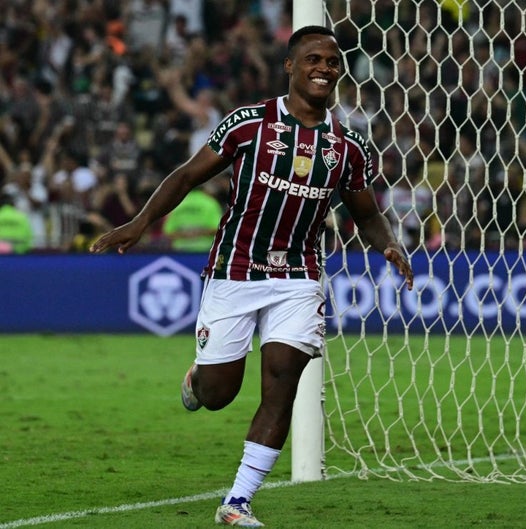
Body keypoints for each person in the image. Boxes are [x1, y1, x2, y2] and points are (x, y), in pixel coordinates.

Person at [89, 26, 414, 527]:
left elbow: (366, 212)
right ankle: (198, 379)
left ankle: (237, 502)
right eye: (313, 59)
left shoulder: (348, 146)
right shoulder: (249, 124)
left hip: (300, 276)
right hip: (235, 268)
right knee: (218, 394)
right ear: (290, 66)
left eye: (332, 61)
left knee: (283, 382)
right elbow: (186, 175)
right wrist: (140, 222)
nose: (324, 68)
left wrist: (388, 242)